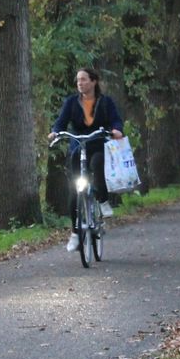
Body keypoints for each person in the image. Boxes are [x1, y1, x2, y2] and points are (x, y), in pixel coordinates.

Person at [48, 68, 124, 252]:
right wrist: (55, 132)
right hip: (78, 145)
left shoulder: (105, 102)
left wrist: (116, 130)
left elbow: (116, 120)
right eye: (78, 80)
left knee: (97, 165)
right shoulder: (71, 102)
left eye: (83, 79)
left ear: (93, 81)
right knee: (75, 190)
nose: (80, 83)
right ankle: (75, 233)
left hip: (98, 143)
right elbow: (61, 121)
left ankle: (103, 200)